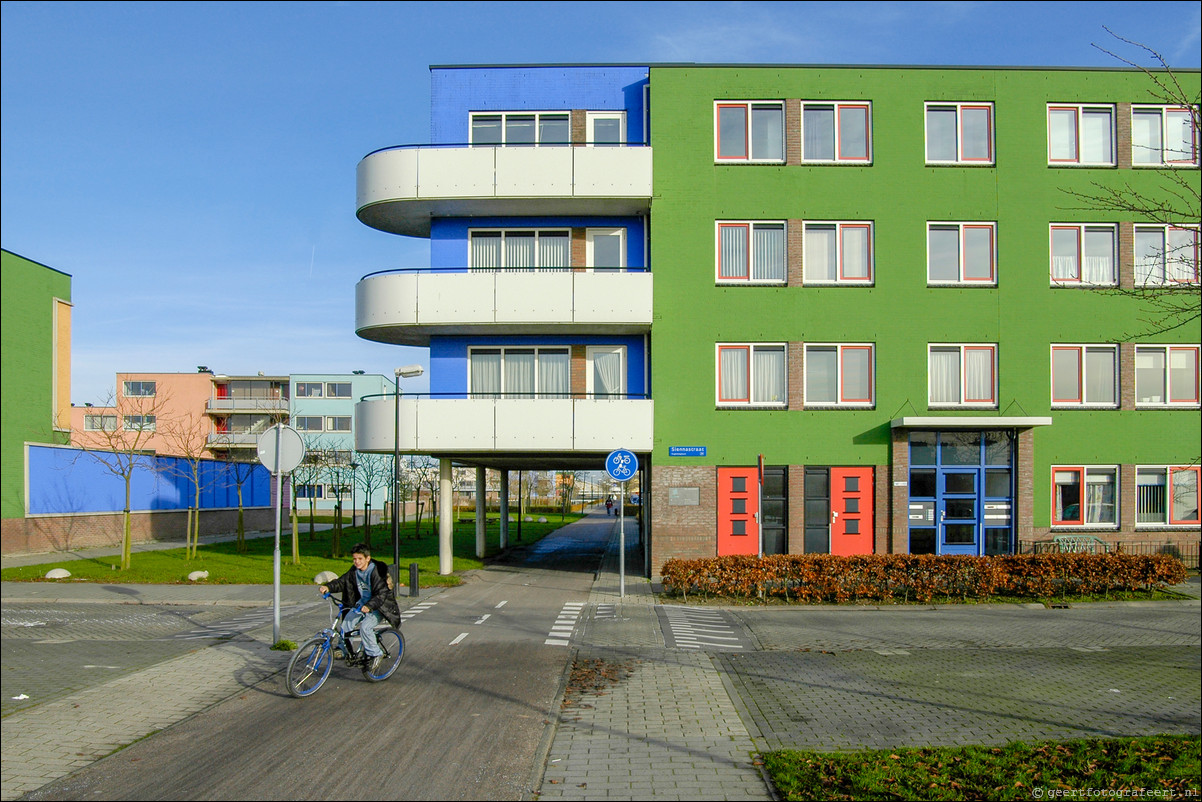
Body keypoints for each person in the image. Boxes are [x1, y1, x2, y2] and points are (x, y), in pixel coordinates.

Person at [319, 543, 401, 673]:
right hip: (362, 605)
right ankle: (344, 650)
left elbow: (381, 594)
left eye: (360, 559)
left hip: (380, 607)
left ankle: (376, 653)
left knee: (365, 627)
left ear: (367, 558)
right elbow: (342, 582)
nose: (356, 562)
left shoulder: (377, 572)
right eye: (354, 559)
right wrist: (328, 587)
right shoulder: (355, 571)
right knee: (346, 623)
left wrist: (369, 606)